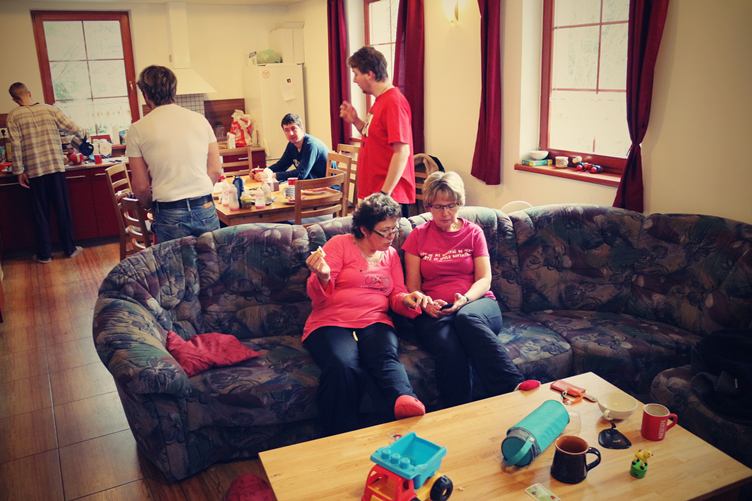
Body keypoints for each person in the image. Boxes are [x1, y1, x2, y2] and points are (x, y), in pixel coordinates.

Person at [303, 193, 425, 435]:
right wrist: (323, 276)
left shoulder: (390, 255)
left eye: (394, 229)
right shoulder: (339, 244)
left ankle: (404, 401)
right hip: (332, 320)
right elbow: (317, 297)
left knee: (384, 355)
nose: (391, 237)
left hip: (375, 319)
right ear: (364, 230)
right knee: (343, 365)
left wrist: (407, 300)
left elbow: (396, 293)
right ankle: (340, 435)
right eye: (385, 231)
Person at [401, 171, 523, 407]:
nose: (445, 213)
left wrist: (465, 299)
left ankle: (513, 387)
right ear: (428, 206)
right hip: (436, 312)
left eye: (451, 205)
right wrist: (426, 304)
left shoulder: (473, 232)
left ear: (460, 203)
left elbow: (484, 279)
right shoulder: (417, 237)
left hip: (478, 304)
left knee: (466, 318)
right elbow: (413, 287)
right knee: (450, 347)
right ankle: (458, 411)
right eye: (438, 207)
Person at [127, 65, 221, 243]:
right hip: (204, 206)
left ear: (145, 94)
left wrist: (150, 206)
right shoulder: (200, 120)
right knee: (210, 260)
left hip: (168, 210)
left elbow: (141, 187)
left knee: (175, 262)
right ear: (174, 90)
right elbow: (216, 170)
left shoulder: (137, 129)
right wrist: (199, 193)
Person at [6, 82, 84, 263]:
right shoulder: (50, 109)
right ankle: (69, 249)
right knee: (62, 209)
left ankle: (45, 254)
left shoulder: (14, 116)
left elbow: (16, 146)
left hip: (34, 171)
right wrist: (77, 142)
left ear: (15, 99)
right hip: (55, 167)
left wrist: (19, 171)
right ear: (29, 93)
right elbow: (74, 128)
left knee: (40, 214)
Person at [339, 46, 416, 210]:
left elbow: (402, 151)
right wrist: (355, 121)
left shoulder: (393, 102)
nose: (354, 80)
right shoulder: (380, 101)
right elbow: (375, 138)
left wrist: (384, 195)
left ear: (370, 74)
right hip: (374, 194)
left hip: (387, 198)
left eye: (356, 74)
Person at [252, 113, 328, 182]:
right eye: (286, 130)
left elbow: (301, 174)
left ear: (301, 128)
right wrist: (261, 172)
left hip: (325, 186)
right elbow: (281, 165)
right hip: (310, 184)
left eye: (293, 128)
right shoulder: (292, 145)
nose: (290, 133)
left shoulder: (310, 145)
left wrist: (273, 175)